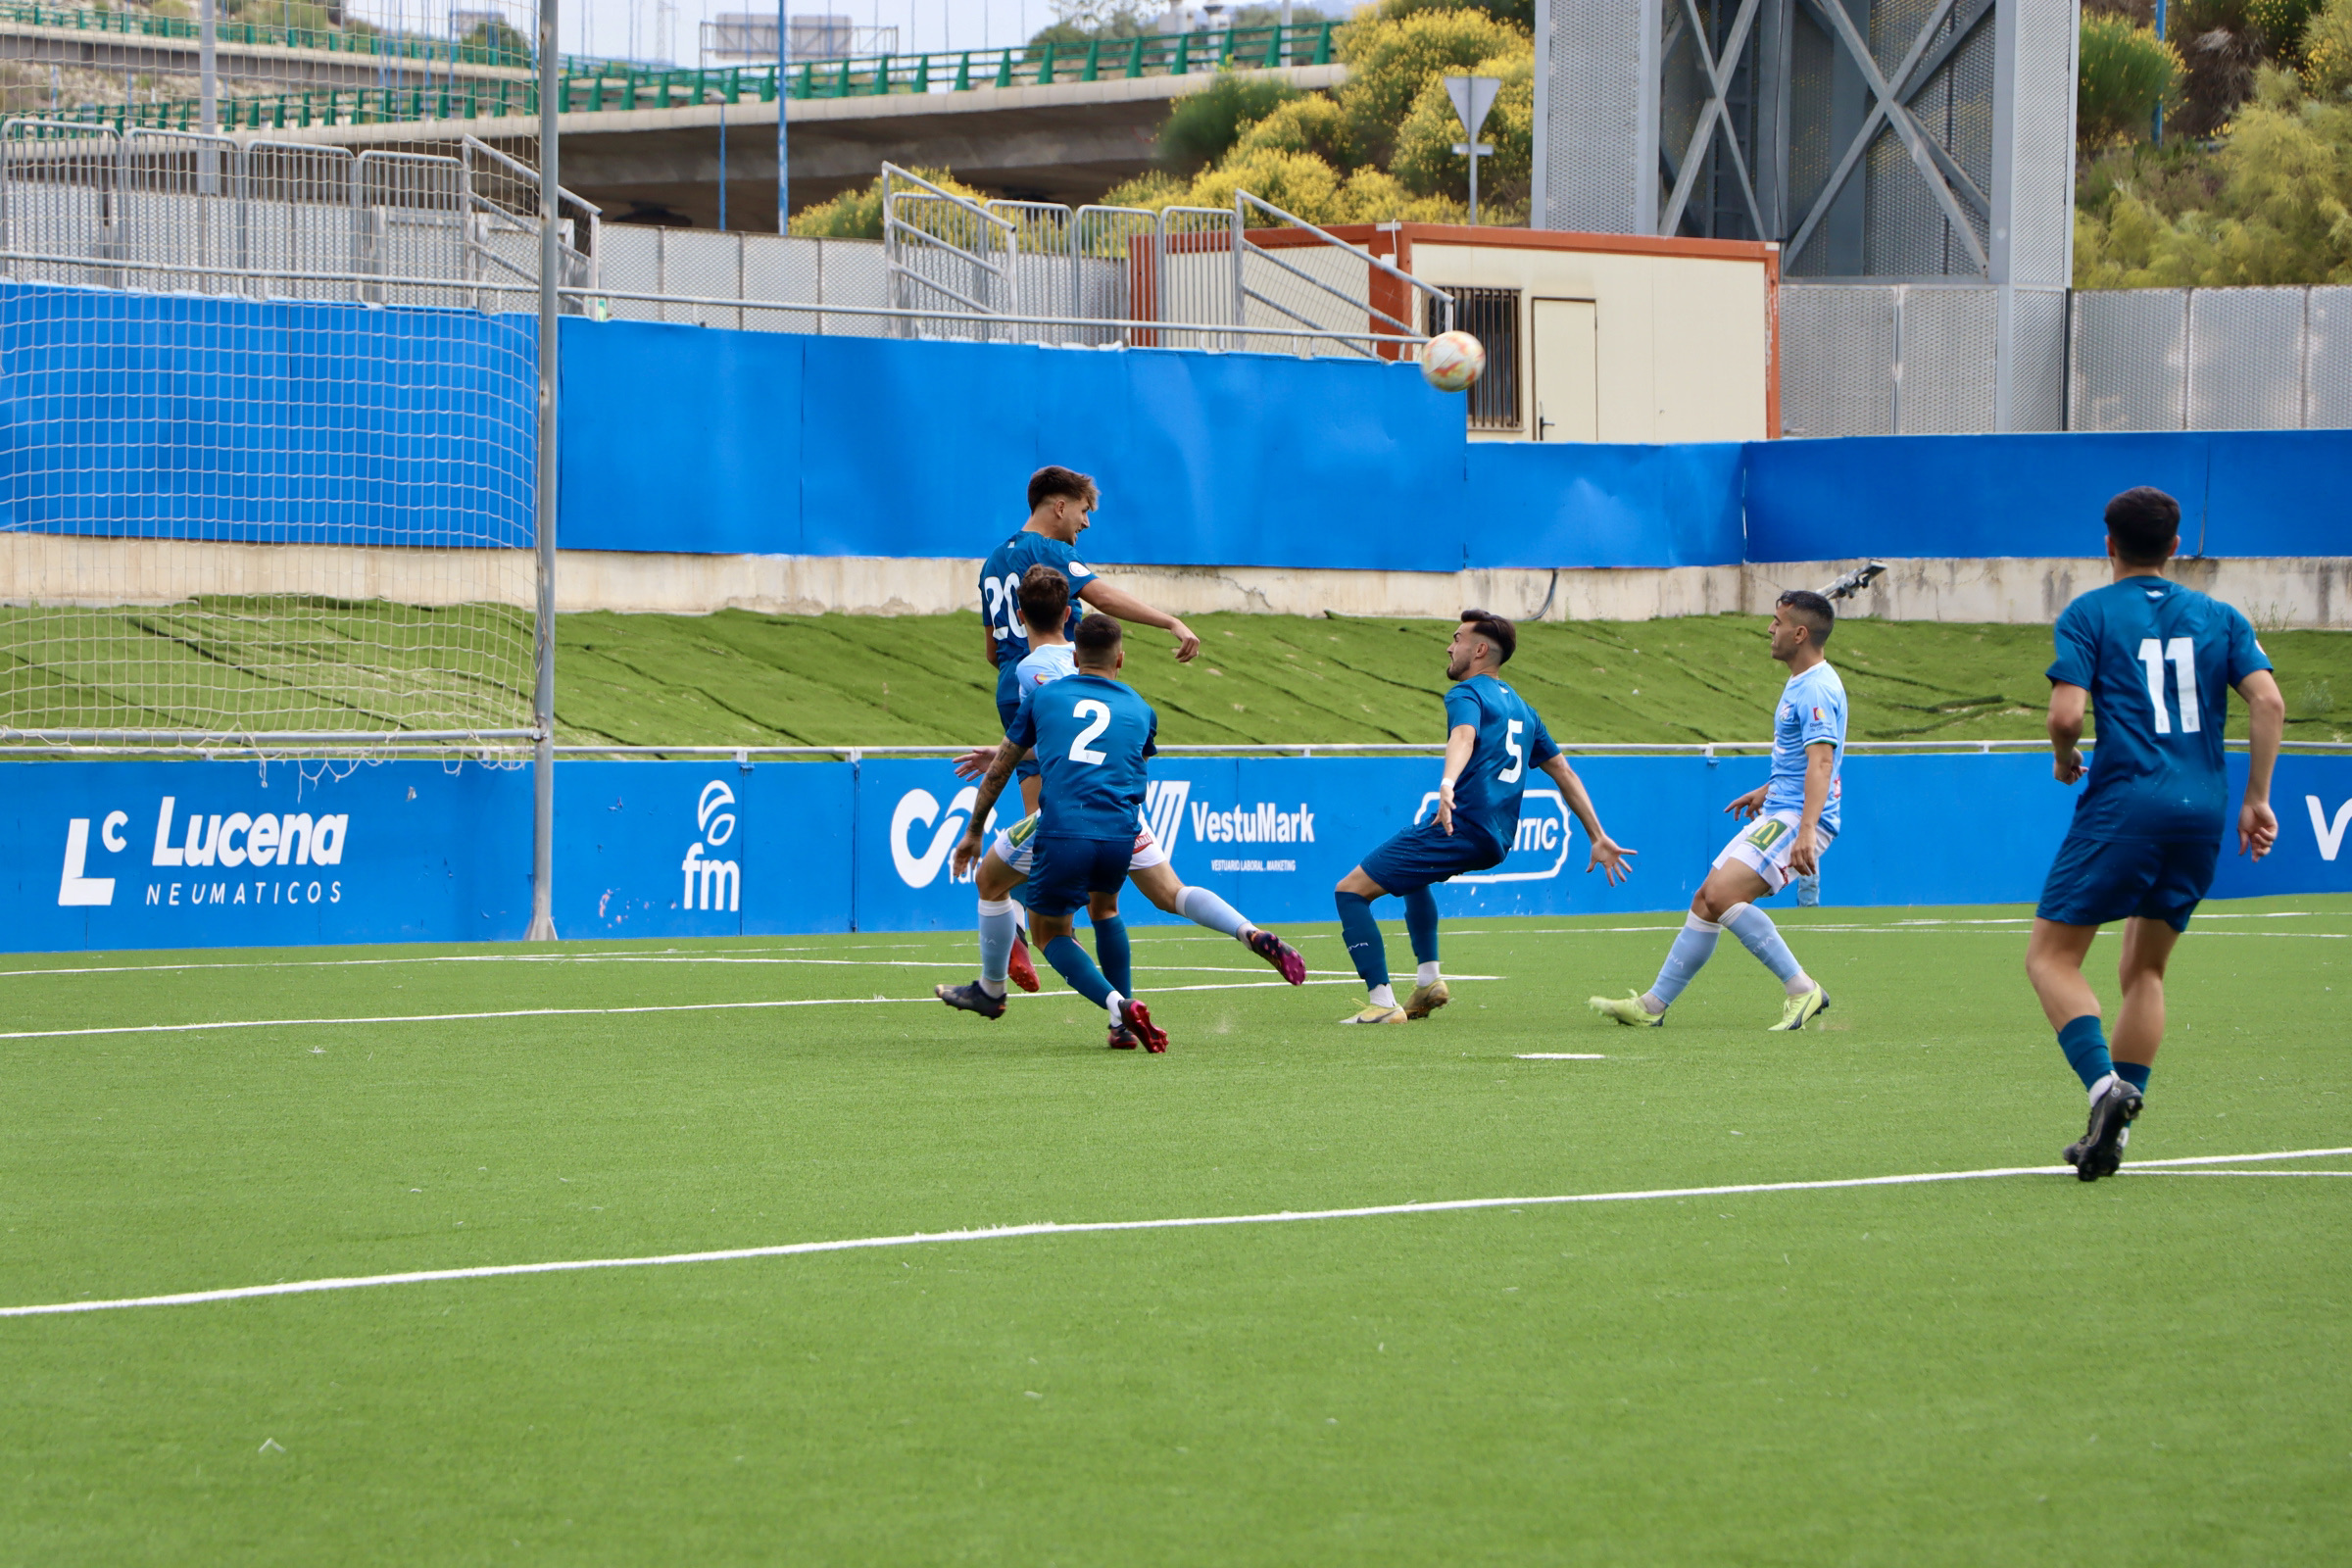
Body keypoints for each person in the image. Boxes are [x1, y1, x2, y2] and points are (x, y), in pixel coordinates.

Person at [2025, 486, 2283, 1182]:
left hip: (2126, 804)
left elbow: (2065, 716)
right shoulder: (2220, 616)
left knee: (2051, 958)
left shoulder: (2089, 614)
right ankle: (2113, 1137)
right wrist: (2256, 798)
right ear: (2176, 547)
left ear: (2107, 544)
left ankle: (2106, 1088)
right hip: (2201, 810)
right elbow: (2268, 700)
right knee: (2145, 969)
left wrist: (2063, 759)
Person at [940, 571, 1307, 1045]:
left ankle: (1005, 991)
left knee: (1011, 897)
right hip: (1122, 818)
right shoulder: (1139, 706)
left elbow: (1014, 763)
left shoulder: (1031, 677)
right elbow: (1121, 754)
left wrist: (978, 819)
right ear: (1120, 657)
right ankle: (1246, 933)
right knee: (1152, 898)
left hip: (1062, 818)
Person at [1334, 611, 1635, 1025]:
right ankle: (1428, 981)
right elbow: (1564, 772)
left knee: (1350, 892)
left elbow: (1463, 736)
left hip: (1462, 824)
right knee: (1412, 873)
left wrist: (1447, 783)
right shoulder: (1525, 711)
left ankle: (1383, 1005)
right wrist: (1597, 835)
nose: (1449, 646)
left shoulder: (1466, 694)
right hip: (1496, 840)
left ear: (1478, 650)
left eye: (1456, 638)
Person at [1589, 591, 1845, 1032]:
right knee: (1707, 900)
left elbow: (1823, 762)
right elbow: (1807, 760)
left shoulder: (1816, 687)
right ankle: (1653, 1005)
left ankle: (1802, 989)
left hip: (1797, 818)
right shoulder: (1804, 681)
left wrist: (1805, 831)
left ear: (1800, 633)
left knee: (1724, 895)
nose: (1770, 628)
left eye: (1777, 621)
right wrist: (1769, 788)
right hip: (1783, 809)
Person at [979, 466, 1202, 820]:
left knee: (1037, 818)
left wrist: (1021, 676)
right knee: (1087, 809)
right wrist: (1171, 622)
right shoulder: (1049, 550)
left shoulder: (992, 561)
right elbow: (1105, 598)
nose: (1086, 523)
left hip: (1011, 686)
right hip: (1060, 687)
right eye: (1083, 511)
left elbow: (992, 652)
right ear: (1060, 507)